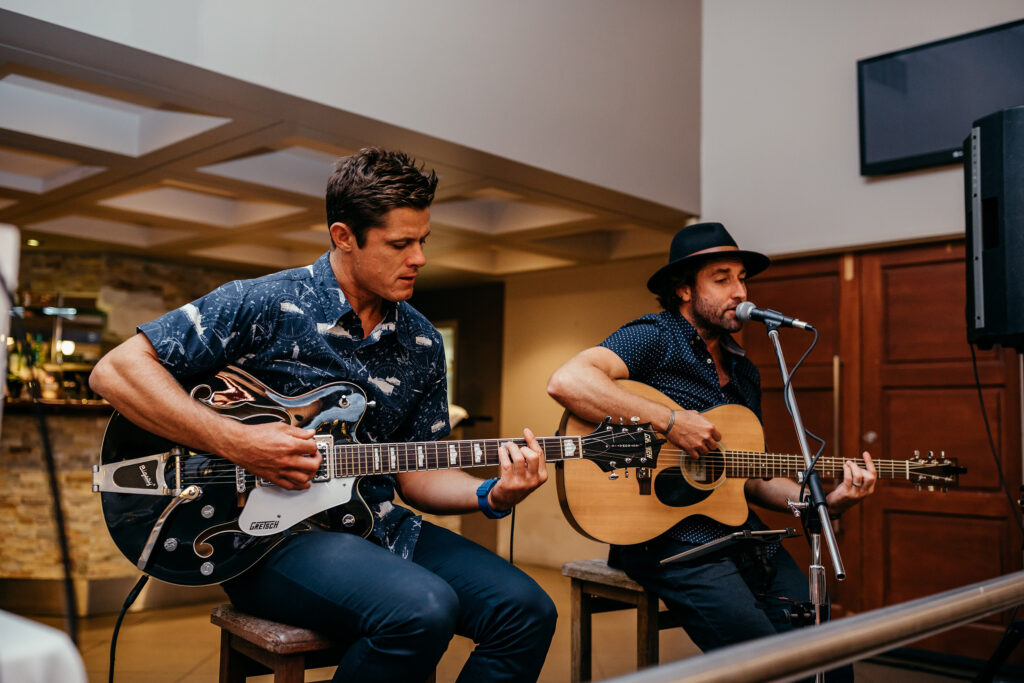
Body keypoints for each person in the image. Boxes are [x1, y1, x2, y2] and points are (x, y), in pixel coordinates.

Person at [90, 148, 556, 683]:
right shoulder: (262, 302)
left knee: (526, 611)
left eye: (423, 241)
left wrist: (491, 495)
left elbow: (416, 473)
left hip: (375, 524)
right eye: (400, 244)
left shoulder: (422, 340)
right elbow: (116, 370)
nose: (419, 258)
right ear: (343, 236)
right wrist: (237, 443)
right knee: (421, 608)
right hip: (261, 542)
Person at [547, 222, 876, 666]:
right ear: (684, 290)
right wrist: (670, 421)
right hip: (665, 539)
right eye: (722, 279)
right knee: (760, 660)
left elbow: (753, 478)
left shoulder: (745, 371)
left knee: (824, 647)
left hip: (742, 536)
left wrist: (828, 501)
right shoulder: (653, 336)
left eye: (742, 279)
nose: (740, 291)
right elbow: (568, 381)